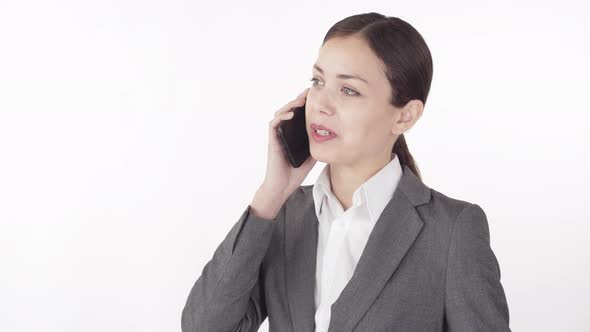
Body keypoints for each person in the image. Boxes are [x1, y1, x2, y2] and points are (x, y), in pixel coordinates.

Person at [181, 12, 511, 332]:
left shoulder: (452, 231)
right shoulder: (281, 217)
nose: (321, 104)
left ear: (405, 116)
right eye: (318, 81)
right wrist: (270, 196)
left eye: (348, 90)